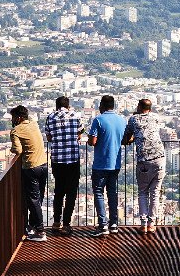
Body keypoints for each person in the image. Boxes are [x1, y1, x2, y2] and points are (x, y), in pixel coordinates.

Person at [86, 93, 129, 235]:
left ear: (102, 106)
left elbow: (92, 142)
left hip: (100, 163)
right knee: (112, 193)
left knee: (98, 192)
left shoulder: (98, 120)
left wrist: (90, 140)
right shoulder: (121, 121)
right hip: (115, 163)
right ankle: (114, 224)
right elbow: (125, 140)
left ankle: (103, 225)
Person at [41, 95, 85, 233]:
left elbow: (49, 137)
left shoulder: (50, 117)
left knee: (59, 190)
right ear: (68, 106)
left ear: (56, 106)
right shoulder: (75, 115)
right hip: (72, 159)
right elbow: (80, 134)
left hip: (57, 159)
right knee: (71, 192)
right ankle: (66, 224)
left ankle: (56, 222)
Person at [7, 104, 49, 243]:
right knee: (38, 198)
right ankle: (32, 225)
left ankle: (40, 231)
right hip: (43, 164)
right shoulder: (34, 123)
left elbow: (18, 150)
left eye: (13, 117)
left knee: (33, 199)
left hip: (31, 167)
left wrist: (12, 149)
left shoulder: (16, 131)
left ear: (18, 118)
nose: (12, 120)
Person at [125, 97, 168, 233]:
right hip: (160, 158)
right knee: (155, 192)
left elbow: (126, 138)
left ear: (138, 106)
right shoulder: (155, 117)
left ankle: (143, 224)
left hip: (144, 159)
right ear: (150, 108)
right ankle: (151, 224)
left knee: (143, 192)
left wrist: (133, 138)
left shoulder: (133, 119)